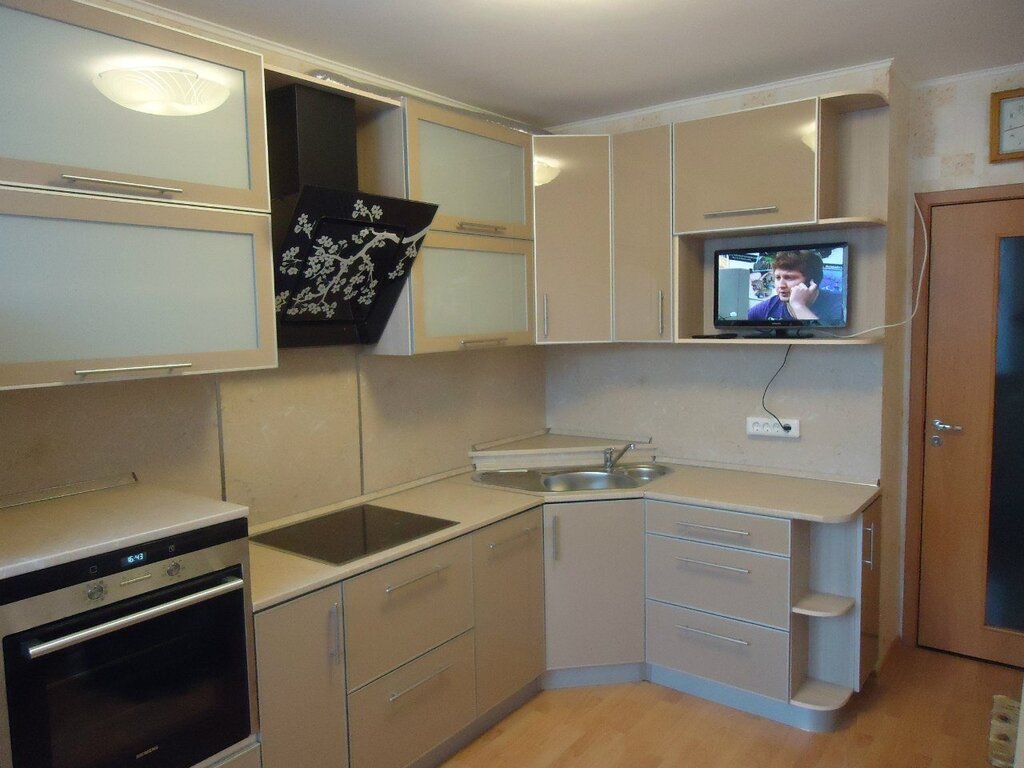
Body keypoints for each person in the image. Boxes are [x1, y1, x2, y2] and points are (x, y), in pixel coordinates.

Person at [747, 250, 844, 324]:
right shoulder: (770, 306)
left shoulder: (840, 305)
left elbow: (824, 342)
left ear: (812, 281)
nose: (781, 285)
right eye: (777, 277)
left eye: (789, 278)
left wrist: (799, 306)